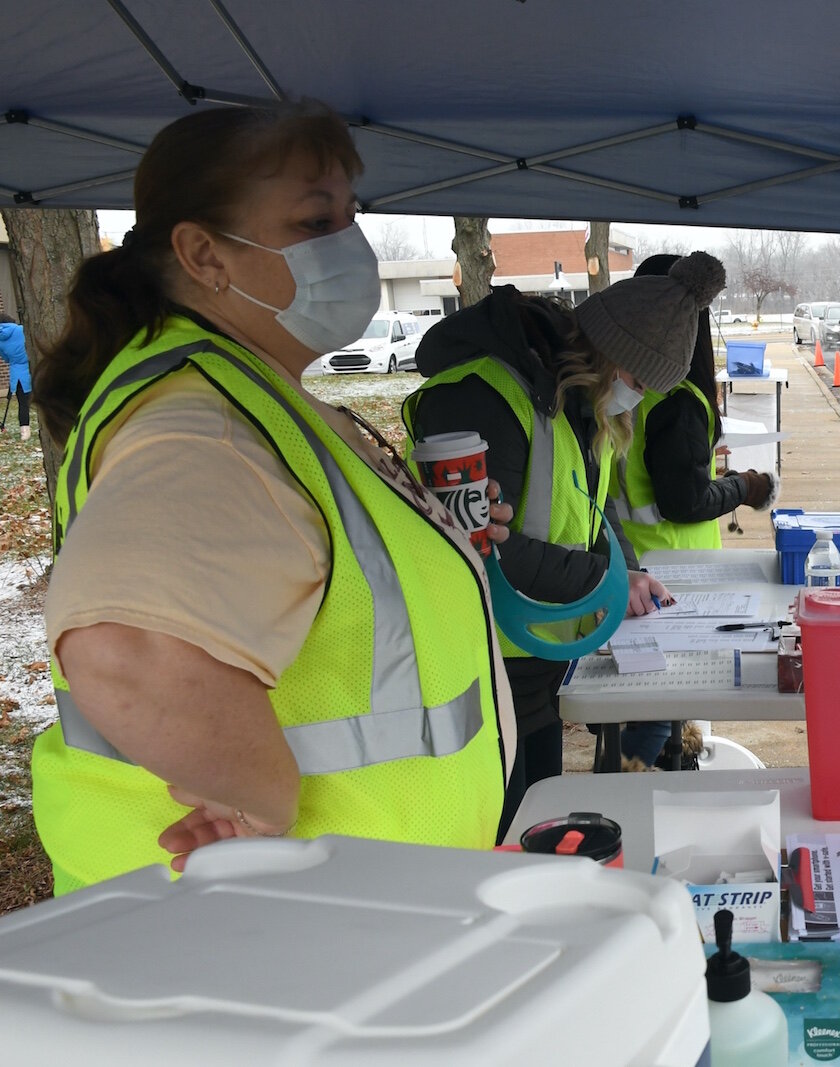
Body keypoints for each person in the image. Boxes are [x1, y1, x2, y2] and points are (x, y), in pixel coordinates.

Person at [32, 102, 513, 894]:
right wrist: (259, 799)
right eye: (314, 219)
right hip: (255, 931)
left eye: (349, 216)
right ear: (203, 253)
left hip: (317, 923)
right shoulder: (202, 425)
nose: (348, 244)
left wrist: (433, 541)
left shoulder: (248, 391)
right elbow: (127, 647)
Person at [402, 252, 726, 834]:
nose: (637, 396)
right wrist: (606, 583)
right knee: (501, 832)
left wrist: (630, 571)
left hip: (541, 661)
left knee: (539, 821)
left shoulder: (576, 404)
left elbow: (595, 512)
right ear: (605, 355)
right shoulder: (485, 400)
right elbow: (482, 552)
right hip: (481, 662)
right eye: (636, 381)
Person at [611, 252, 776, 769]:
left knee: (647, 712)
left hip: (634, 574)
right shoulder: (677, 398)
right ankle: (641, 774)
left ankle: (633, 770)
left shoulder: (624, 391)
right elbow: (684, 501)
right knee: (669, 719)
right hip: (678, 584)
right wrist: (744, 487)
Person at [0, 314, 30, 441]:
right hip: (31, 368)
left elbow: (5, 358)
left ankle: (25, 432)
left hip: (17, 374)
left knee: (23, 404)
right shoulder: (21, 329)